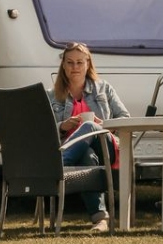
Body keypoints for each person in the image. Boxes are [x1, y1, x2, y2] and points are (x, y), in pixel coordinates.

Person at [47, 43, 129, 233]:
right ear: (63, 66)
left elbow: (125, 118)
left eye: (79, 62)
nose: (74, 67)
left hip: (107, 147)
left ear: (87, 64)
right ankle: (100, 219)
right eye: (70, 62)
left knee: (90, 126)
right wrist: (62, 126)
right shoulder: (52, 95)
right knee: (87, 155)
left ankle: (58, 165)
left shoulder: (104, 88)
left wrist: (104, 124)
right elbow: (44, 130)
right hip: (78, 150)